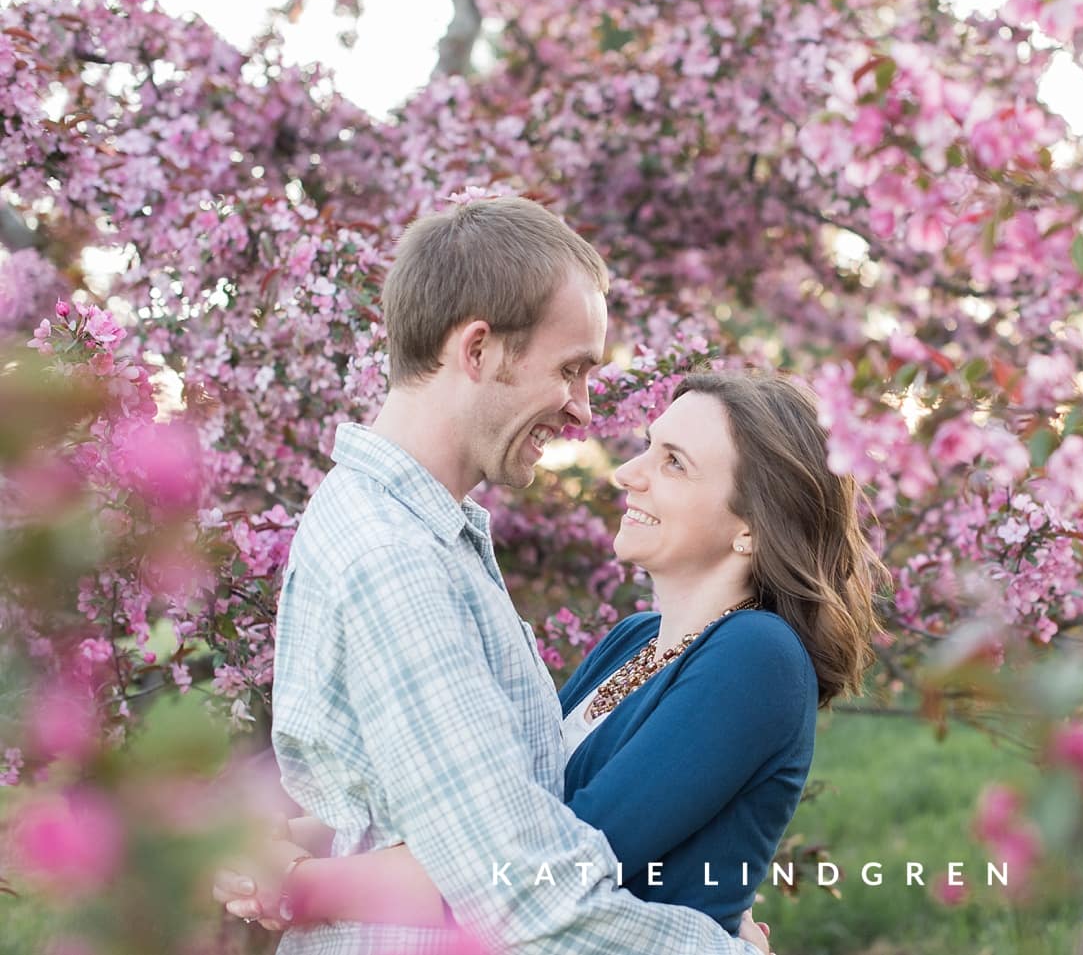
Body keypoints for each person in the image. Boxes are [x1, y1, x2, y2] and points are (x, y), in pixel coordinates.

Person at [219, 197, 789, 955]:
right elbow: (521, 895)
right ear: (479, 349)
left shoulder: (416, 533)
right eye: (570, 369)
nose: (586, 413)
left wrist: (288, 855)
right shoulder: (396, 557)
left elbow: (445, 813)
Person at [226, 370, 887, 943]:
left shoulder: (757, 655)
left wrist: (301, 886)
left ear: (753, 525)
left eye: (674, 462)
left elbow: (537, 867)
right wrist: (277, 834)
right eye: (646, 449)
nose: (629, 473)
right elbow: (497, 811)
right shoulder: (633, 639)